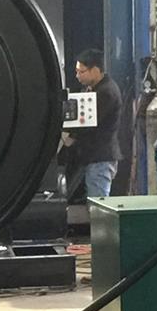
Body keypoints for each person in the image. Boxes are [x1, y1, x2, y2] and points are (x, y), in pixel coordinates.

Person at [62, 52, 125, 201]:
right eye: (76, 72)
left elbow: (88, 122)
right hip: (91, 157)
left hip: (100, 159)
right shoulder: (92, 89)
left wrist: (70, 135)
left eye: (81, 72)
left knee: (98, 204)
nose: (77, 76)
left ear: (95, 70)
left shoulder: (106, 92)